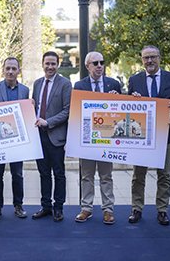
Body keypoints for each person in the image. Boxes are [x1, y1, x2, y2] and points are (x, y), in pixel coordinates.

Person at [127, 45, 170, 225]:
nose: (149, 61)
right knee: (138, 176)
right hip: (141, 136)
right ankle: (137, 208)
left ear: (159, 58)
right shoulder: (134, 80)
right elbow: (127, 108)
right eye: (145, 58)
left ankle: (162, 211)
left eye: (152, 57)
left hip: (165, 134)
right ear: (142, 60)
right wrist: (132, 99)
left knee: (164, 175)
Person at [73, 51, 121, 225]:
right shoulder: (79, 86)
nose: (100, 66)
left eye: (102, 62)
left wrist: (118, 100)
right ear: (87, 66)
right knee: (86, 176)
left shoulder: (114, 84)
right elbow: (75, 112)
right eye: (96, 63)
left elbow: (122, 113)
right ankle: (86, 208)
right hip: (87, 139)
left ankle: (108, 210)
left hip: (107, 139)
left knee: (106, 176)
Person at [0, 58, 29, 220]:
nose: (10, 71)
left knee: (17, 175)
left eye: (14, 68)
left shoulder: (25, 90)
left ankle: (18, 205)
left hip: (16, 141)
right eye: (8, 68)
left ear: (19, 70)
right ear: (3, 70)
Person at [32, 51, 72, 222]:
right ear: (42, 64)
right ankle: (46, 206)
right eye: (47, 63)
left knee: (59, 173)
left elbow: (67, 110)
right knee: (43, 174)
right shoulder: (37, 83)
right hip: (39, 136)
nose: (50, 67)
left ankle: (58, 208)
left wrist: (48, 122)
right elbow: (35, 107)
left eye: (53, 64)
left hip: (56, 136)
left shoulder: (65, 84)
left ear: (58, 65)